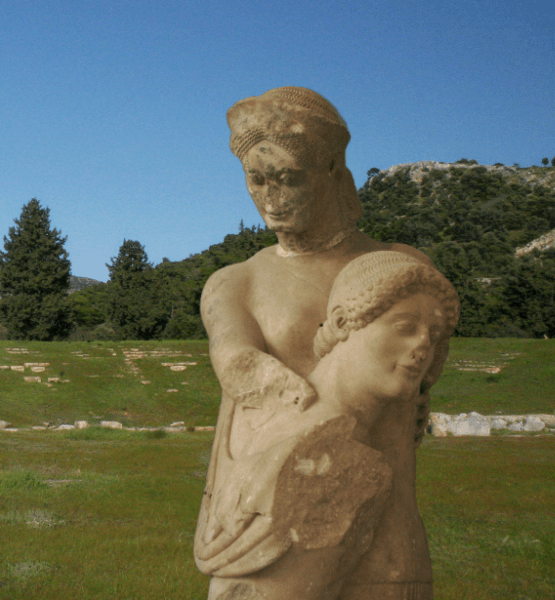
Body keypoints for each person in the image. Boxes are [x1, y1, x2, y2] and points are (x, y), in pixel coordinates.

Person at [194, 87, 451, 599]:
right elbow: (236, 361)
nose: (271, 197)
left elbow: (427, 368)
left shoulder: (404, 269)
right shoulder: (235, 283)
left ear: (332, 169)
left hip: (387, 535)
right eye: (257, 179)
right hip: (274, 527)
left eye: (288, 177)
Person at [196, 251, 458, 599]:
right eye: (405, 327)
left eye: (434, 336)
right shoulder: (333, 459)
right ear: (342, 322)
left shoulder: (298, 427)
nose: (424, 346)